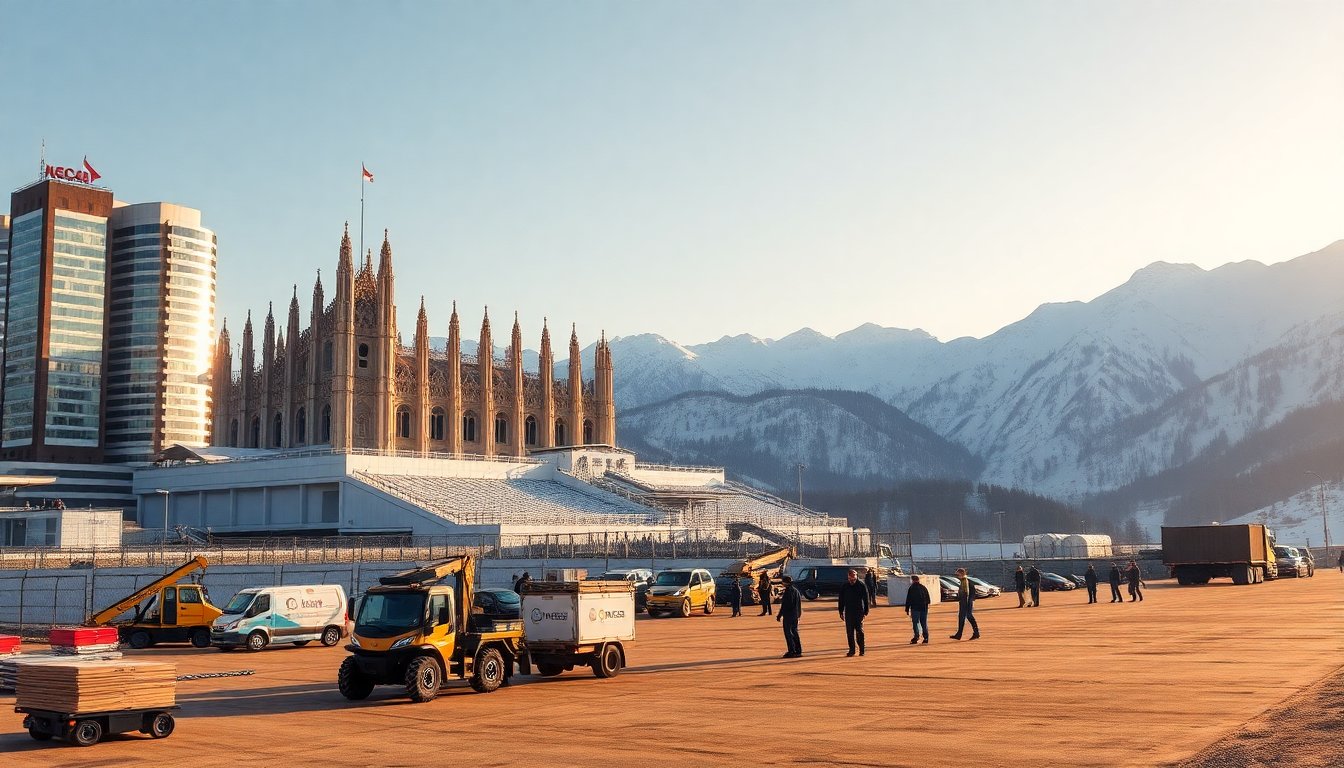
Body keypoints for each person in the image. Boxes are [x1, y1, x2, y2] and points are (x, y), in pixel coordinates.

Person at [838, 569, 870, 656]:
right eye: (850, 579)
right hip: (849, 612)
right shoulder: (845, 586)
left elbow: (866, 599)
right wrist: (841, 611)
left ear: (856, 577)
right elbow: (841, 599)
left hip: (859, 611)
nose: (851, 580)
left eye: (853, 579)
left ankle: (862, 649)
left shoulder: (861, 585)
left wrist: (866, 611)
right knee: (849, 632)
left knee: (859, 631)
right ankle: (852, 650)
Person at [949, 567, 980, 640]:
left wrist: (966, 602)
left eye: (958, 574)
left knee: (969, 617)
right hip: (964, 602)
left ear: (962, 574)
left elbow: (967, 593)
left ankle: (976, 633)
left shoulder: (965, 581)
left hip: (966, 603)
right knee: (962, 618)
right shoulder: (964, 581)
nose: (957, 576)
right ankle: (959, 634)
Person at [777, 575, 803, 658]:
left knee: (788, 633)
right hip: (796, 615)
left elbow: (786, 605)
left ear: (786, 582)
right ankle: (798, 650)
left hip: (789, 616)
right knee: (795, 632)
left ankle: (791, 650)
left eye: (783, 582)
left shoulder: (788, 592)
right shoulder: (796, 591)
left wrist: (780, 615)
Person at [904, 575, 931, 644]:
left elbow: (908, 599)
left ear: (912, 580)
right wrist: (926, 606)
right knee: (924, 623)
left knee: (915, 623)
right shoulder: (923, 587)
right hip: (924, 608)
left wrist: (907, 609)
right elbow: (928, 599)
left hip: (915, 608)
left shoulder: (912, 588)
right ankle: (926, 637)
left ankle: (916, 637)